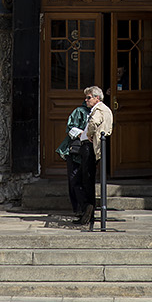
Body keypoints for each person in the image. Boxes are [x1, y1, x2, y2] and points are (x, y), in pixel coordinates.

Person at [73, 85, 114, 224]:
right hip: (90, 147)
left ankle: (88, 212)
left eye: (89, 97)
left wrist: (89, 134)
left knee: (83, 180)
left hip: (89, 148)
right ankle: (87, 212)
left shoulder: (99, 109)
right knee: (83, 180)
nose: (86, 100)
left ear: (97, 98)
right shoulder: (103, 109)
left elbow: (94, 123)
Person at [56, 100, 91, 220]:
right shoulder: (80, 111)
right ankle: (80, 208)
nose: (87, 100)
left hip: (89, 151)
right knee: (74, 178)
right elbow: (71, 128)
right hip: (76, 150)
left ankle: (85, 207)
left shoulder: (99, 112)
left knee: (80, 179)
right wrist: (83, 134)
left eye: (89, 97)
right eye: (87, 97)